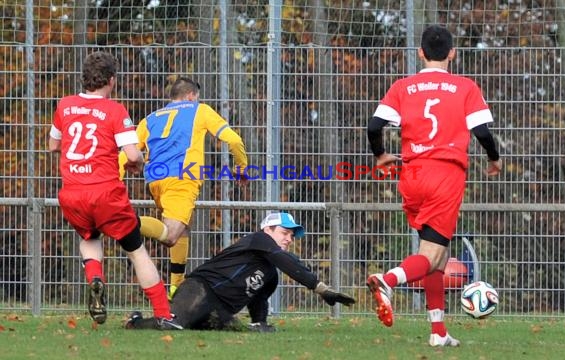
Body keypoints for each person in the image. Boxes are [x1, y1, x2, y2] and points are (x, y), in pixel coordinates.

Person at [366, 25, 502, 347]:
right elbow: (481, 132)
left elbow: (374, 126)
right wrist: (494, 159)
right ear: (452, 53)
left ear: (421, 52)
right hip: (445, 175)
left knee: (439, 258)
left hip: (412, 174)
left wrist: (382, 155)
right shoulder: (465, 87)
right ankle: (387, 280)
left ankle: (438, 332)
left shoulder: (403, 86)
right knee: (431, 253)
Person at [48, 51, 182, 330]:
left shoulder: (65, 105)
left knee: (89, 236)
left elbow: (53, 145)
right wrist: (139, 163)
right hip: (106, 192)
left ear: (84, 78)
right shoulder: (115, 110)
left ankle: (95, 277)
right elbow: (132, 155)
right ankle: (164, 314)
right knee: (136, 250)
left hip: (72, 192)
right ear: (111, 80)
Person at [119, 77, 248, 299]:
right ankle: (121, 220)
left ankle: (175, 288)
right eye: (196, 97)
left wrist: (116, 182)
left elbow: (125, 154)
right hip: (182, 178)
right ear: (191, 96)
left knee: (181, 231)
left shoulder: (150, 119)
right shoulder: (200, 110)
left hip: (155, 181)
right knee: (170, 235)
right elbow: (234, 140)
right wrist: (241, 167)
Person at [124, 212, 356, 331]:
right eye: (285, 232)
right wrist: (322, 289)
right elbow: (287, 261)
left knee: (240, 329)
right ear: (268, 229)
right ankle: (135, 322)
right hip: (200, 290)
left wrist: (260, 323)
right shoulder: (259, 239)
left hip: (220, 310)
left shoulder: (271, 273)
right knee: (173, 325)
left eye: (292, 236)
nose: (289, 239)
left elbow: (259, 298)